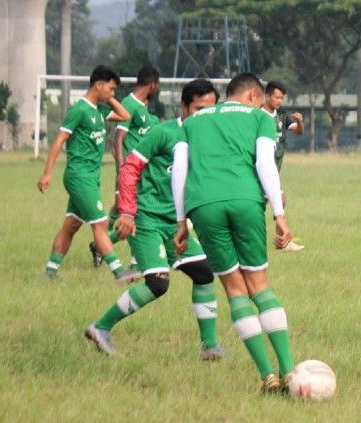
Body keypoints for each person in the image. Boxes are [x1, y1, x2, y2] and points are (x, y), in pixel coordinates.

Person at [84, 79, 226, 361]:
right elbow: (129, 168)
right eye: (198, 108)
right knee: (158, 284)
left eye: (210, 109)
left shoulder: (209, 139)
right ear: (184, 107)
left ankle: (209, 347)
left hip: (176, 223)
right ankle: (100, 328)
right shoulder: (163, 133)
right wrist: (126, 211)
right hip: (146, 218)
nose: (204, 115)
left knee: (204, 273)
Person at [172, 72, 296, 393]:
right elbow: (265, 164)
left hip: (203, 205)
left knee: (235, 290)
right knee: (259, 286)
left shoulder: (193, 120)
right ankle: (289, 371)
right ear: (255, 96)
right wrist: (279, 215)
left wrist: (181, 220)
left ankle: (267, 375)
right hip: (244, 200)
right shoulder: (260, 117)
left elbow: (180, 169)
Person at [37, 65, 141, 284]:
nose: (113, 94)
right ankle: (119, 271)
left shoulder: (100, 110)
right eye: (111, 89)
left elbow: (125, 115)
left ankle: (50, 272)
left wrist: (108, 98)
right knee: (101, 224)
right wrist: (47, 173)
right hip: (78, 176)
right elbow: (59, 141)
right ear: (98, 84)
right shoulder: (80, 110)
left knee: (71, 225)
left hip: (91, 178)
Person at [89, 66, 161, 268]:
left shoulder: (143, 106)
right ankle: (136, 262)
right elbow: (118, 139)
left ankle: (99, 244)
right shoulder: (129, 103)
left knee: (123, 213)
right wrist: (122, 170)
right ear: (152, 84)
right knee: (133, 215)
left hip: (142, 172)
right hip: (130, 172)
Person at [262, 80, 305, 252]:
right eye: (276, 97)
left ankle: (282, 240)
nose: (279, 101)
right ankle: (284, 241)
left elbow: (299, 131)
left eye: (282, 98)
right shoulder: (258, 115)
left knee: (271, 202)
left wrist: (300, 122)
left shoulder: (282, 116)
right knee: (278, 200)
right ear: (267, 96)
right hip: (262, 168)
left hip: (274, 169)